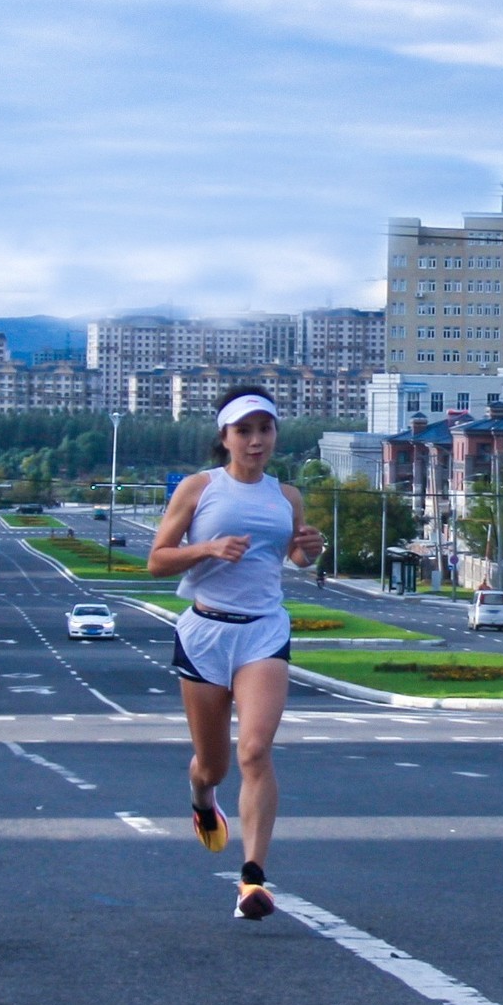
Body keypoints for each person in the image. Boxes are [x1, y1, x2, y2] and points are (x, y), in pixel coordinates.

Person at [147, 387, 326, 920]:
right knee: (213, 765)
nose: (255, 441)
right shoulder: (199, 490)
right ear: (224, 437)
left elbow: (290, 553)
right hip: (205, 633)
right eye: (243, 431)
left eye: (264, 429)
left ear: (275, 435)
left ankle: (253, 879)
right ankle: (202, 801)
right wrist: (207, 548)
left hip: (263, 633)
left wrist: (306, 550)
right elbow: (157, 561)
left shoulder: (286, 495)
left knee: (254, 751)